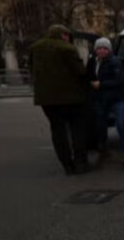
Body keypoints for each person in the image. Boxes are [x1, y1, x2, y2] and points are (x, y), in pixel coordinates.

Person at [29, 24, 89, 175]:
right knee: (77, 129)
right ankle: (80, 163)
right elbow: (80, 72)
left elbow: (31, 69)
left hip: (47, 99)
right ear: (63, 35)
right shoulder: (67, 48)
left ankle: (67, 165)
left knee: (57, 131)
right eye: (68, 36)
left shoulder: (35, 48)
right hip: (71, 98)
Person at [88, 37, 124, 169]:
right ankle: (102, 151)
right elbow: (90, 76)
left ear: (109, 50)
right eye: (99, 48)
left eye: (104, 48)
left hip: (117, 99)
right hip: (101, 99)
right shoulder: (94, 62)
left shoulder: (115, 62)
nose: (101, 50)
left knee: (120, 125)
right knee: (100, 126)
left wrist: (101, 84)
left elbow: (120, 80)